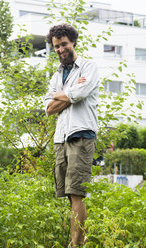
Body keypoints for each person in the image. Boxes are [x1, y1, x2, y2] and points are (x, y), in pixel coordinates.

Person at [44, 24, 99, 247]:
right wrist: (67, 95)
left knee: (77, 193)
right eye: (56, 46)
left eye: (64, 44)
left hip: (81, 135)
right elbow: (47, 107)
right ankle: (78, 241)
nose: (60, 49)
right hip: (61, 138)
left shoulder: (88, 66)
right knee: (68, 194)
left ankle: (75, 245)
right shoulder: (57, 74)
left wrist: (63, 96)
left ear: (73, 42)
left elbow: (81, 93)